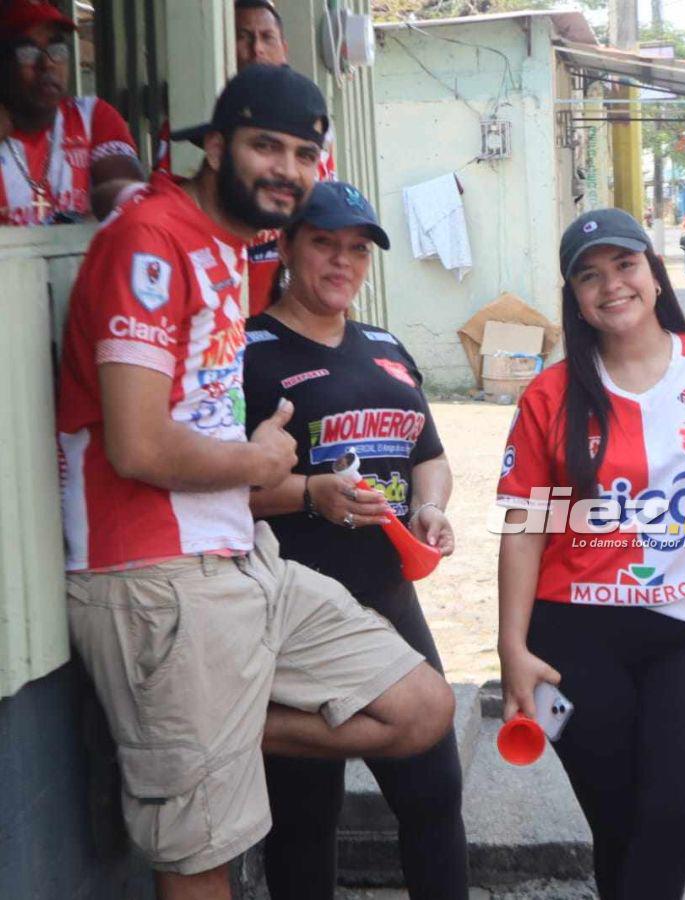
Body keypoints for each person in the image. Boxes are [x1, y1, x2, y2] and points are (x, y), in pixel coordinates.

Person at [57, 65, 454, 900]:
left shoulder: (222, 251)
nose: (285, 167)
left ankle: (180, 733)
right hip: (155, 575)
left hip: (243, 559)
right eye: (264, 145)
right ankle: (170, 733)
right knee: (209, 863)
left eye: (302, 153)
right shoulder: (150, 241)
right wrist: (270, 467)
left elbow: (428, 449)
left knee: (421, 708)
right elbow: (134, 444)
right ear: (216, 148)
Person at [496, 208, 685, 899]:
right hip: (572, 633)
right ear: (575, 298)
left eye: (625, 265)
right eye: (589, 276)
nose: (611, 285)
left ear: (655, 275)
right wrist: (510, 648)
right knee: (620, 822)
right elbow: (523, 527)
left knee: (675, 813)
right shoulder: (550, 394)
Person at [241, 180, 469, 900]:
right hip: (300, 606)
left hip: (389, 595)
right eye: (325, 245)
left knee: (435, 790)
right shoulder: (251, 351)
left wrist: (430, 507)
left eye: (358, 251)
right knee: (308, 815)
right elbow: (223, 490)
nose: (343, 263)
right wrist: (311, 493)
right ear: (285, 246)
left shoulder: (385, 345)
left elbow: (426, 453)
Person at [152, 0, 336, 315]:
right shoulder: (150, 234)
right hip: (209, 298)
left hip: (280, 313)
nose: (256, 50)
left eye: (267, 38)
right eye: (264, 146)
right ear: (215, 147)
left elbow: (324, 225)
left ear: (284, 48)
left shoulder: (311, 127)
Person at [0, 0, 143, 225]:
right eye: (27, 51)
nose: (47, 63)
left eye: (57, 49)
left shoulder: (91, 116)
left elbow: (128, 194)